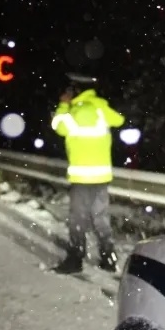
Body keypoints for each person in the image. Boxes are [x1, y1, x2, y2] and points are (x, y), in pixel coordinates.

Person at [50, 78, 125, 274]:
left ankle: (75, 259)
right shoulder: (100, 108)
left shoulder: (73, 111)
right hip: (101, 176)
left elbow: (57, 126)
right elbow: (119, 120)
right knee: (100, 218)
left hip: (82, 176)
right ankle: (109, 258)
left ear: (75, 91)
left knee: (78, 220)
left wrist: (63, 105)